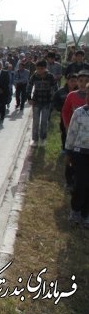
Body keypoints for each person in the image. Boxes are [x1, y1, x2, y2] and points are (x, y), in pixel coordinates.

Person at [65, 82, 89, 227]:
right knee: (80, 183)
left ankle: (86, 213)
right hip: (80, 153)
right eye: (87, 94)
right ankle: (75, 210)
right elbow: (71, 134)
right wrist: (69, 152)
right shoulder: (79, 112)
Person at [27, 60, 57, 147]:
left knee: (44, 121)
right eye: (38, 68)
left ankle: (43, 139)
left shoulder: (50, 77)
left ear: (45, 68)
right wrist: (29, 98)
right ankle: (34, 139)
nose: (40, 70)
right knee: (35, 122)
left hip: (47, 102)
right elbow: (29, 87)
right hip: (36, 102)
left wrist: (53, 99)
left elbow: (55, 88)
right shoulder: (34, 76)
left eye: (42, 68)